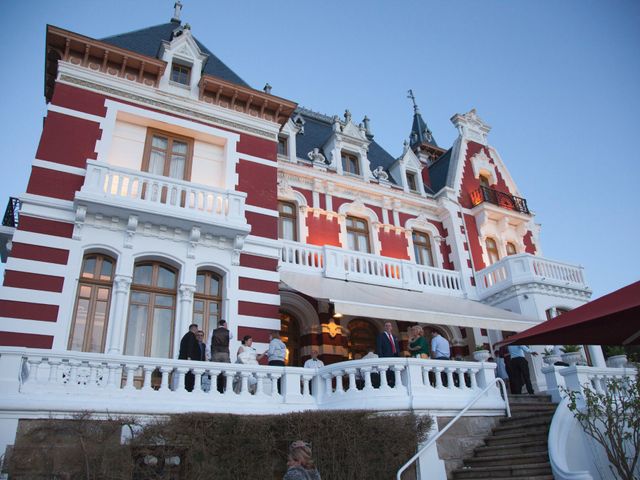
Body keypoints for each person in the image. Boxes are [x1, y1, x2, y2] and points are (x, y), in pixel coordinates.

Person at [211, 320, 232, 393]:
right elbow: (231, 336)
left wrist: (208, 354)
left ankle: (215, 389)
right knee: (226, 372)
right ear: (224, 324)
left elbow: (208, 343)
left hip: (215, 353)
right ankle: (226, 389)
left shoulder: (213, 331)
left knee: (215, 372)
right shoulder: (228, 332)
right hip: (225, 354)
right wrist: (226, 329)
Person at [376, 322, 400, 387]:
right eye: (386, 326)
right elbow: (379, 347)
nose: (388, 327)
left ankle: (395, 383)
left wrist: (398, 355)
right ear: (384, 327)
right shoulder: (381, 336)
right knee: (387, 372)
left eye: (389, 326)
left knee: (394, 371)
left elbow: (397, 347)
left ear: (391, 327)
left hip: (395, 356)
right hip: (386, 357)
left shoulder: (394, 336)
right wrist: (381, 358)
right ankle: (389, 384)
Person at [178, 323, 200, 392]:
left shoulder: (186, 336)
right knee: (189, 379)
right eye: (196, 329)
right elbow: (190, 347)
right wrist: (189, 357)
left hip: (185, 360)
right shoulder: (191, 336)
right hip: (188, 361)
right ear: (194, 329)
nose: (197, 331)